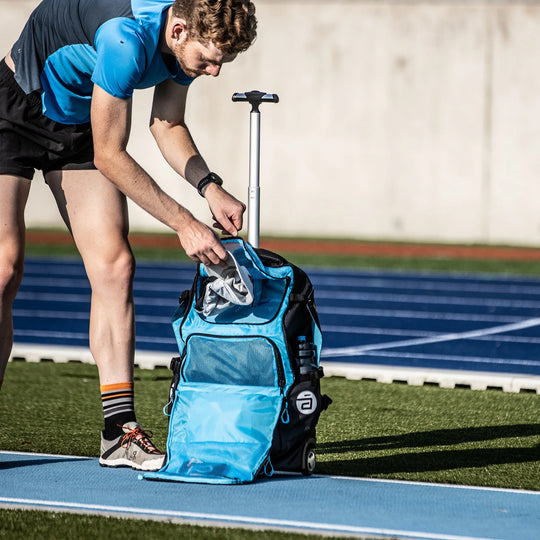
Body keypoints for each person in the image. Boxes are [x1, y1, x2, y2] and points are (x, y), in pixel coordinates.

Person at [0, 0, 257, 471]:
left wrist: (209, 186)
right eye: (210, 59)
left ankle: (119, 433)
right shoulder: (125, 39)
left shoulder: (182, 39)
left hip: (79, 122)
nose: (215, 72)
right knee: (4, 268)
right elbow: (110, 156)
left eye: (222, 61)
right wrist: (185, 223)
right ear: (177, 31)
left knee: (116, 266)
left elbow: (168, 124)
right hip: (13, 108)